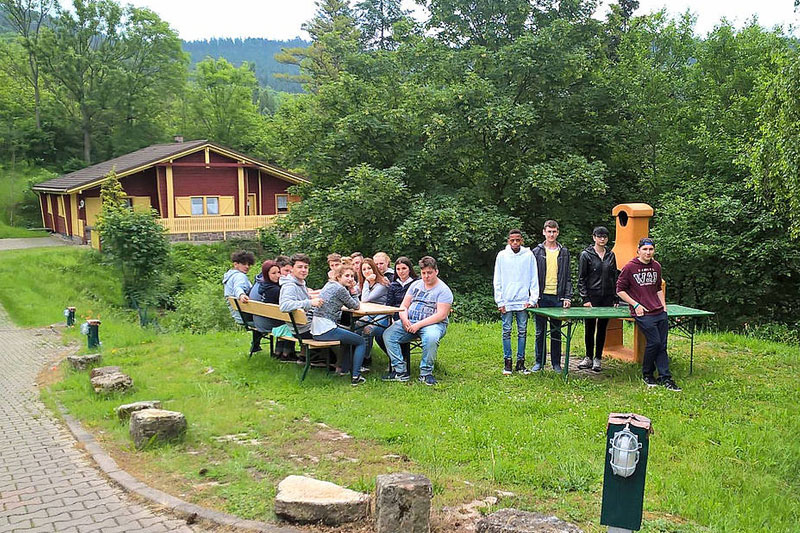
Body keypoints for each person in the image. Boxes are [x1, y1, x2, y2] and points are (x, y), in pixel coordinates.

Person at [616, 238, 681, 391]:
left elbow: (658, 288)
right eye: (645, 249)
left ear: (654, 251)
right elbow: (620, 290)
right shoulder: (630, 267)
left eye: (650, 249)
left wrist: (664, 307)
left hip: (659, 311)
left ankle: (666, 378)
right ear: (638, 250)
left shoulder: (656, 266)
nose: (648, 252)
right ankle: (648, 374)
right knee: (655, 342)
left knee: (662, 345)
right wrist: (635, 304)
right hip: (642, 312)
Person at [382, 256, 453, 386]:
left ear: (436, 272)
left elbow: (441, 315)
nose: (426, 276)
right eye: (424, 273)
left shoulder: (443, 290)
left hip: (433, 324)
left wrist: (419, 325)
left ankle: (426, 373)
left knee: (431, 338)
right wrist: (404, 320)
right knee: (388, 334)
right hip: (410, 320)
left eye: (429, 273)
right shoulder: (415, 285)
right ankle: (400, 371)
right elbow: (404, 306)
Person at [311, 265, 368, 385]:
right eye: (347, 276)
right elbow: (355, 306)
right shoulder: (340, 289)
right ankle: (356, 376)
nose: (350, 279)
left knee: (351, 336)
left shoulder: (329, 285)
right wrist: (353, 291)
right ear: (338, 276)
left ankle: (344, 370)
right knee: (361, 341)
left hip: (317, 328)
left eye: (352, 276)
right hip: (325, 329)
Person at [493, 229, 539, 375]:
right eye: (512, 240)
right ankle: (508, 363)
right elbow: (497, 279)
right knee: (506, 331)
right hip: (506, 301)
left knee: (522, 331)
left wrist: (532, 299)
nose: (515, 243)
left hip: (523, 301)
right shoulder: (502, 256)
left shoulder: (528, 255)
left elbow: (534, 277)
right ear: (508, 241)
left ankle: (520, 363)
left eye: (517, 240)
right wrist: (499, 301)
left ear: (522, 240)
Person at [532, 220, 572, 373]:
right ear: (544, 232)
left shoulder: (564, 252)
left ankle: (556, 363)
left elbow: (567, 276)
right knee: (540, 331)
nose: (551, 234)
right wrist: (533, 297)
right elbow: (531, 277)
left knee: (556, 331)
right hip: (541, 297)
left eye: (554, 232)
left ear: (558, 233)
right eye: (549, 231)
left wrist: (567, 296)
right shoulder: (537, 252)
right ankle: (539, 362)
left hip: (558, 297)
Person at [577, 226, 619, 372]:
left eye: (605, 236)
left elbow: (614, 277)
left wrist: (615, 298)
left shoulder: (611, 255)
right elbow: (581, 278)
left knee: (602, 328)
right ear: (594, 237)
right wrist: (585, 298)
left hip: (607, 297)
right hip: (592, 297)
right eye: (599, 236)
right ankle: (588, 357)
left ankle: (598, 358)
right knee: (589, 328)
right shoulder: (586, 255)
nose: (602, 239)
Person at [374, 256, 418, 367]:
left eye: (404, 268)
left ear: (409, 269)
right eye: (398, 269)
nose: (401, 272)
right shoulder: (393, 285)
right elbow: (389, 304)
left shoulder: (417, 283)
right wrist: (392, 318)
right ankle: (394, 357)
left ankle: (402, 359)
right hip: (393, 315)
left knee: (398, 333)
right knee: (378, 332)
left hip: (411, 316)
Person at [249, 260, 295, 361]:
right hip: (270, 325)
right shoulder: (275, 290)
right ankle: (287, 353)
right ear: (266, 274)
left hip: (262, 321)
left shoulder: (263, 286)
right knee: (294, 324)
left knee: (287, 320)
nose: (277, 276)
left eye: (278, 272)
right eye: (273, 273)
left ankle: (279, 351)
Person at [279, 253, 324, 347]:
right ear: (291, 268)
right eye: (300, 267)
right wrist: (310, 302)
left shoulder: (299, 283)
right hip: (303, 330)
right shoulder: (290, 285)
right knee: (346, 332)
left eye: (306, 267)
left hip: (303, 326)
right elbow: (284, 306)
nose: (303, 270)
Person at [223, 250, 255, 324]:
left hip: (238, 315)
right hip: (245, 317)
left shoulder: (229, 276)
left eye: (249, 264)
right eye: (244, 264)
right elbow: (238, 288)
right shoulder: (240, 276)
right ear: (235, 264)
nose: (247, 267)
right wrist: (241, 295)